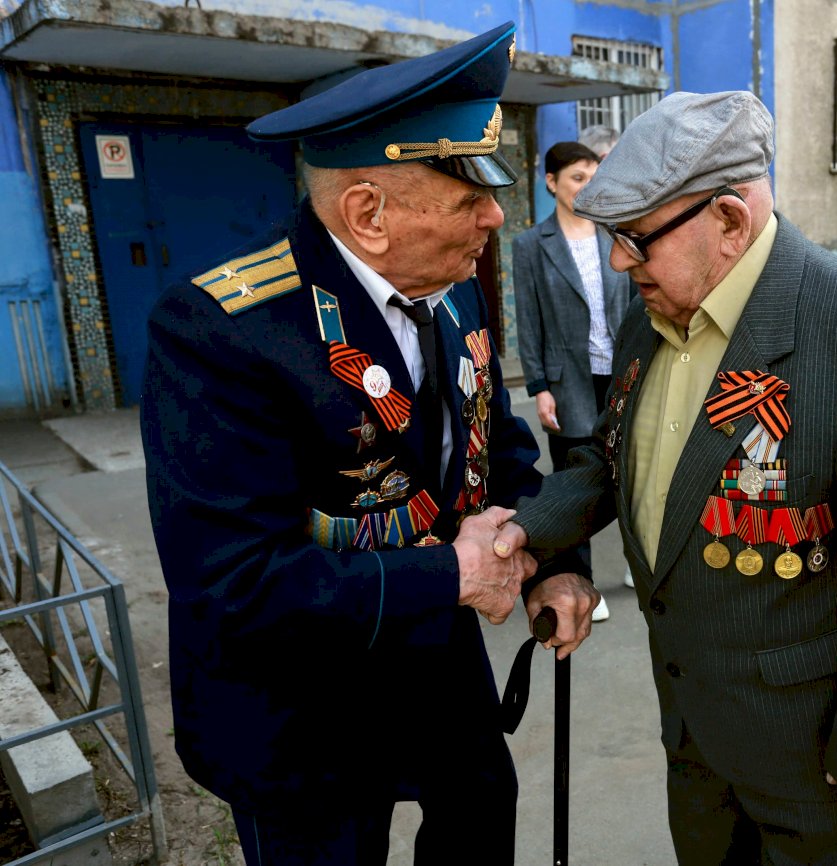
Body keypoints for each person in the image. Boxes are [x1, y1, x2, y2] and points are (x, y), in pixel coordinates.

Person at [139, 22, 597, 865]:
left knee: (481, 824)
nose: (498, 216)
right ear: (367, 213)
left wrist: (557, 556)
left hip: (436, 674)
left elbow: (502, 451)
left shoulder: (456, 291)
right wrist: (455, 572)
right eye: (469, 199)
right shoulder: (222, 331)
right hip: (301, 709)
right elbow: (232, 584)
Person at [494, 91, 837, 864]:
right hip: (693, 731)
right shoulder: (654, 307)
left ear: (730, 223)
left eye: (634, 239)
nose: (616, 261)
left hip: (812, 755)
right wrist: (521, 534)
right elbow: (609, 462)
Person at [512, 141, 634, 621]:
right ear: (551, 183)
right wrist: (539, 385)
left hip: (621, 371)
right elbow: (529, 320)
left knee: (630, 470)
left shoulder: (614, 233)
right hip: (567, 381)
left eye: (592, 176)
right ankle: (580, 582)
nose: (586, 186)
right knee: (573, 480)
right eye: (576, 178)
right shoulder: (530, 245)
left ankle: (634, 563)